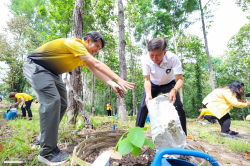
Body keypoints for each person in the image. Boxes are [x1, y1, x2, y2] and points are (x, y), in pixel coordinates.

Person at [23, 31, 134, 165]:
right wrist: (118, 78)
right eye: (97, 46)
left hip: (53, 74)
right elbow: (97, 64)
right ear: (88, 41)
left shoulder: (82, 57)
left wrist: (112, 83)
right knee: (52, 101)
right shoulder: (75, 44)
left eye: (99, 48)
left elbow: (96, 70)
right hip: (37, 66)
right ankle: (47, 152)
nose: (97, 50)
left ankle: (42, 139)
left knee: (63, 103)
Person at [136, 38, 187, 135]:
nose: (154, 58)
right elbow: (147, 80)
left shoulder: (172, 58)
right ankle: (137, 134)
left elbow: (180, 79)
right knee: (143, 106)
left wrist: (174, 89)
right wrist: (148, 95)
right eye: (152, 55)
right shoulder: (146, 60)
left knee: (178, 106)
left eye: (158, 55)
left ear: (165, 52)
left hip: (169, 84)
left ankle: (183, 135)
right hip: (153, 84)